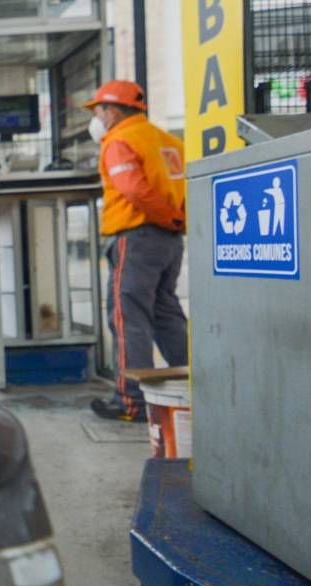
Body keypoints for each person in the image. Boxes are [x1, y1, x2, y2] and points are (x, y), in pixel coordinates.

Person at [84, 80, 188, 422]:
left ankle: (131, 400)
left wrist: (164, 216)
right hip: (169, 240)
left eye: (98, 110)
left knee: (127, 317)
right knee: (165, 313)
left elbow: (134, 190)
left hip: (136, 236)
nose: (97, 117)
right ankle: (194, 386)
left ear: (112, 110)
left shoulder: (119, 140)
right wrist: (176, 220)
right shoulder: (169, 141)